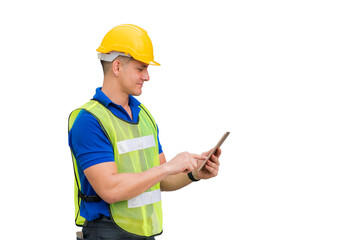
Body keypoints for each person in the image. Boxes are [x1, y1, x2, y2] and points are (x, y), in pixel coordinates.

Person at [68, 24, 221, 240]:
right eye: (141, 68)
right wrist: (167, 167)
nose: (147, 76)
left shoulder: (143, 116)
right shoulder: (89, 121)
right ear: (118, 67)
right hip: (106, 233)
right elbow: (110, 190)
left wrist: (193, 173)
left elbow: (161, 180)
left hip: (143, 232)